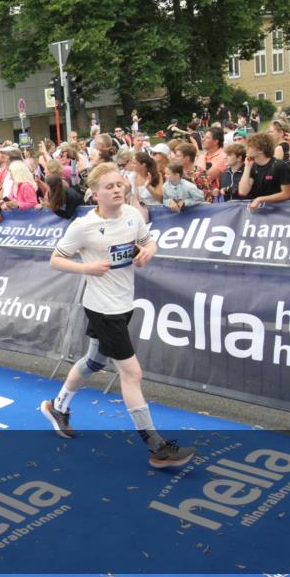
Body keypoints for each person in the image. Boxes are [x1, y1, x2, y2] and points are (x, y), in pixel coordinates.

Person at [42, 163, 195, 469]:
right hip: (102, 308)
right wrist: (86, 268)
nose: (116, 189)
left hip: (124, 303)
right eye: (109, 186)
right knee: (132, 373)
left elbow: (146, 240)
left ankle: (57, 407)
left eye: (119, 184)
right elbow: (55, 260)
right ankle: (156, 447)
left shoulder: (132, 215)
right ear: (95, 194)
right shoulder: (83, 226)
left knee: (95, 361)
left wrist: (150, 249)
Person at [237, 132, 290, 211]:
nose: (246, 149)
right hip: (259, 210)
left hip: (278, 211)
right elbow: (243, 191)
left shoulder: (280, 166)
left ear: (261, 150)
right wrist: (247, 167)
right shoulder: (251, 166)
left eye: (250, 146)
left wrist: (260, 199)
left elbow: (286, 194)